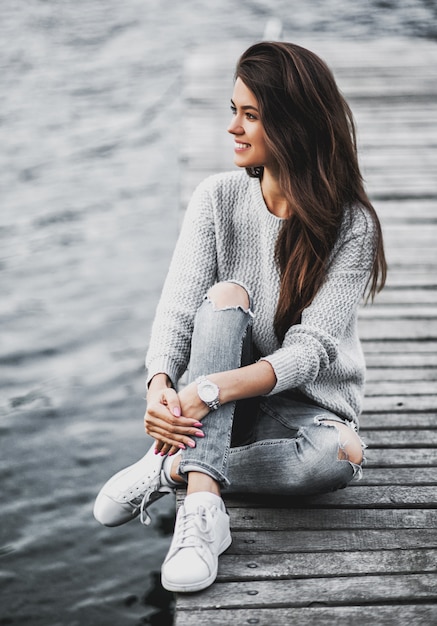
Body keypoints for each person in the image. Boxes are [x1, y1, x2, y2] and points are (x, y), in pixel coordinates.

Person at [93, 41, 386, 594]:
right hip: (224, 396)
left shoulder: (351, 225)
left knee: (342, 456)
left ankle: (172, 470)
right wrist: (159, 384)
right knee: (225, 295)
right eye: (234, 110)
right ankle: (203, 508)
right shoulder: (217, 198)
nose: (233, 127)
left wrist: (205, 391)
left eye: (251, 115)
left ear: (294, 125)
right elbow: (180, 309)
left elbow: (309, 351)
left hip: (301, 406)